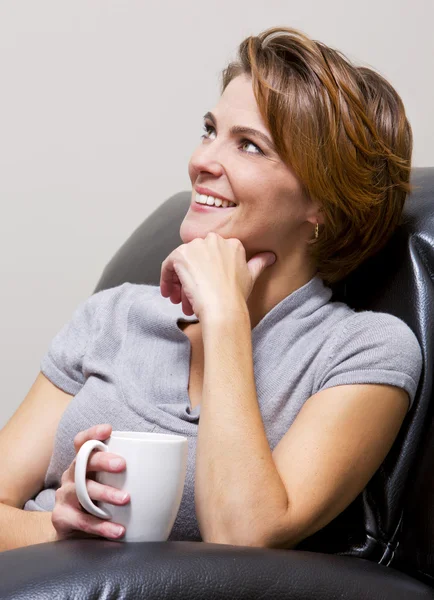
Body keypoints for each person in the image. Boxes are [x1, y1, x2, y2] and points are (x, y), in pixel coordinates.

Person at [0, 26, 422, 552]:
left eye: (249, 145)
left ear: (323, 203)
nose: (201, 162)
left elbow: (242, 535)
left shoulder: (364, 349)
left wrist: (225, 318)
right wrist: (58, 532)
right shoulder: (113, 316)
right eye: (209, 130)